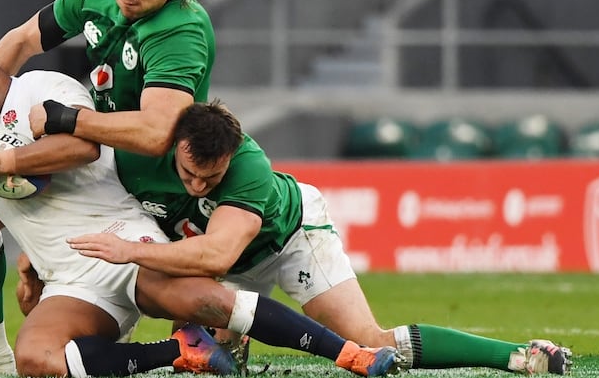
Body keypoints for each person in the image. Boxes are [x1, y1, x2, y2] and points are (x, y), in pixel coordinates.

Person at [0, 38, 403, 377]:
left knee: (211, 300)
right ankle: (178, 354)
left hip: (126, 238)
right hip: (71, 278)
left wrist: (4, 164)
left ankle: (349, 356)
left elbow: (84, 146)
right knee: (37, 360)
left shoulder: (40, 88)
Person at [66, 100, 573, 376]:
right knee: (202, 357)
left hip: (288, 240)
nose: (197, 186)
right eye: (189, 174)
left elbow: (220, 251)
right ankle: (233, 340)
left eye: (211, 178)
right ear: (171, 146)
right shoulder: (135, 156)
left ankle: (517, 356)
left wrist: (132, 250)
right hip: (211, 261)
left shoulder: (248, 168)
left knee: (368, 341)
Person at [0, 0, 217, 373]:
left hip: (162, 183)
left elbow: (156, 133)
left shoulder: (181, 29)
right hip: (100, 162)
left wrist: (68, 121)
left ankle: (220, 337)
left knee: (203, 314)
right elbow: (22, 39)